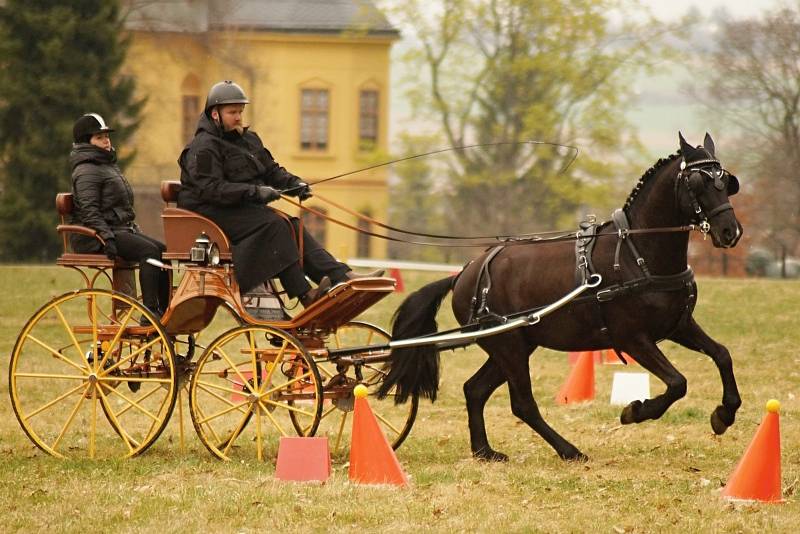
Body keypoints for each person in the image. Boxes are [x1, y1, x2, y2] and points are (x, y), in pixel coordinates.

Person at [177, 80, 382, 306]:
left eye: (240, 111)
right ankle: (305, 295)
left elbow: (271, 170)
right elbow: (211, 189)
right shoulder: (203, 147)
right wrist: (256, 193)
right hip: (208, 213)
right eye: (232, 112)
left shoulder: (249, 140)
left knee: (292, 224)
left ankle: (342, 278)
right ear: (215, 114)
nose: (238, 117)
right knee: (275, 225)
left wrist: (294, 183)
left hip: (238, 207)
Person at [70, 113, 170, 318]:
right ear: (85, 142)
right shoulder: (86, 170)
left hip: (117, 230)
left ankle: (165, 308)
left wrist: (133, 230)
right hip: (95, 237)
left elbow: (121, 209)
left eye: (106, 136)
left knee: (162, 250)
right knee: (149, 253)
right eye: (99, 137)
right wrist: (106, 237)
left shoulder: (106, 166)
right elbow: (89, 211)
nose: (107, 141)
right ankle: (150, 311)